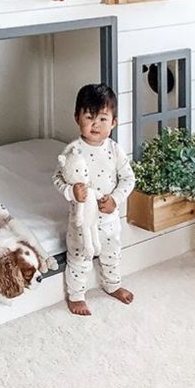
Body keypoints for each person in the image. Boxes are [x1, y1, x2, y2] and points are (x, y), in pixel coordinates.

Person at [53, 84, 135, 316]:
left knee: (112, 254)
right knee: (79, 257)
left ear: (114, 122)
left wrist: (116, 200)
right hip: (81, 221)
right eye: (89, 117)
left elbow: (128, 179)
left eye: (102, 118)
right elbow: (57, 179)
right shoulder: (72, 151)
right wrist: (72, 192)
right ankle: (76, 295)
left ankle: (112, 284)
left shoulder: (114, 150)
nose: (95, 124)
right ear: (77, 117)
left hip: (108, 219)